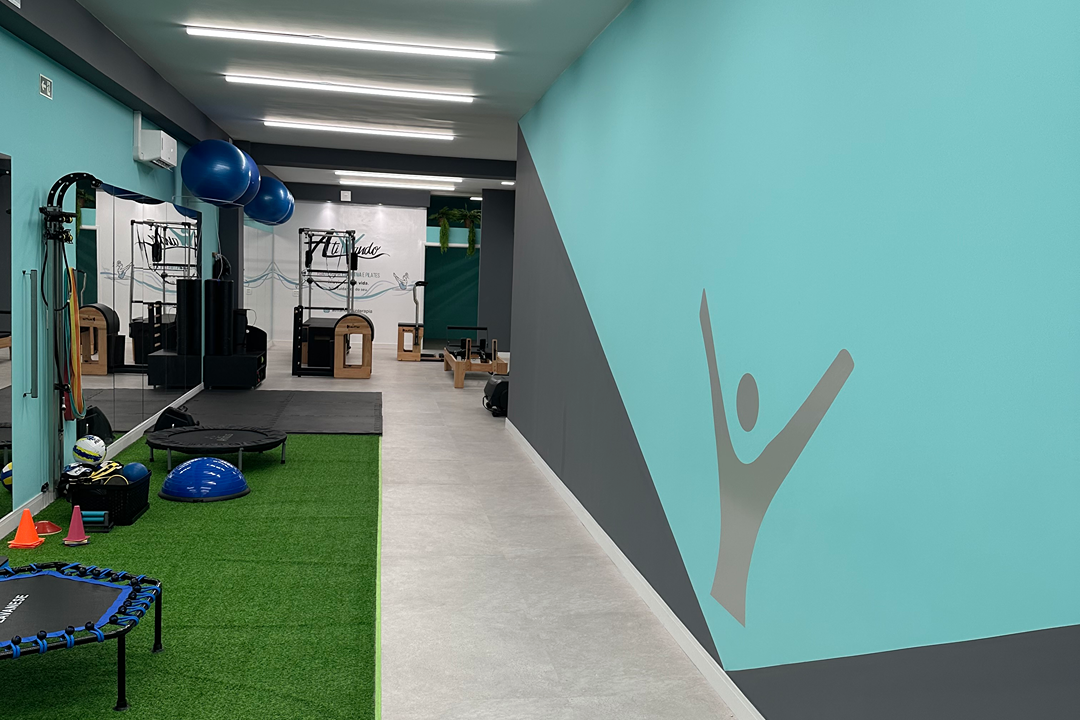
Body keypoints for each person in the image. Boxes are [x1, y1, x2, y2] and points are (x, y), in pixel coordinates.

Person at [700, 290, 854, 625]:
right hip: (733, 594)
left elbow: (715, 387)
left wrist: (708, 333)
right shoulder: (757, 462)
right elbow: (799, 425)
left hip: (725, 591)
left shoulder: (733, 455)